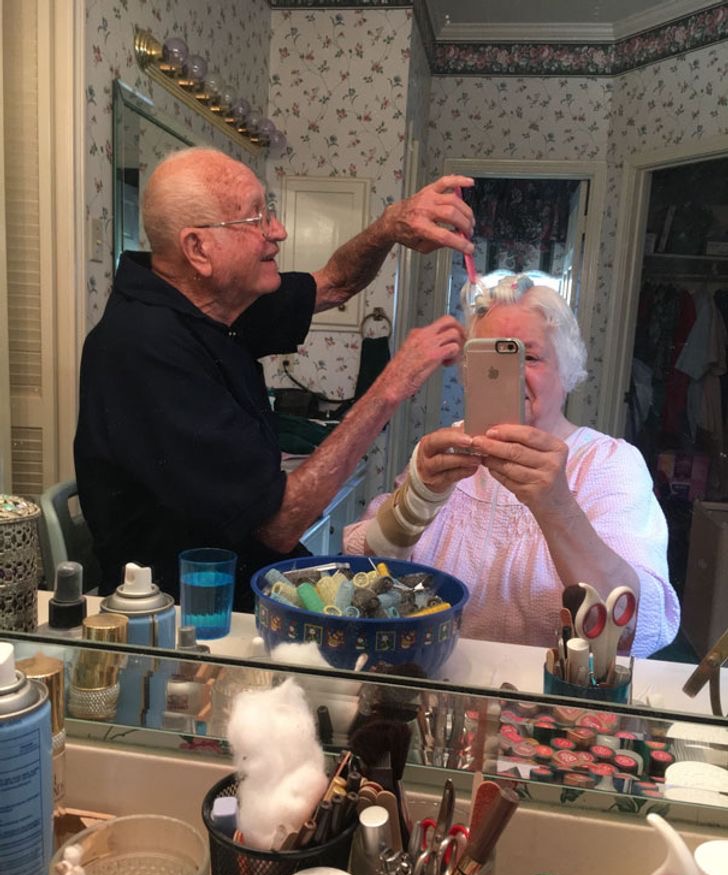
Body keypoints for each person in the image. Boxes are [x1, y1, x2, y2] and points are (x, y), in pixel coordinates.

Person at [74, 146, 476, 609]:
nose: (278, 232)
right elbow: (280, 524)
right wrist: (390, 386)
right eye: (256, 219)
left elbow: (335, 282)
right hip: (186, 614)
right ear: (198, 248)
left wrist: (389, 226)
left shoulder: (214, 301)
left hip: (239, 578)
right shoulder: (145, 348)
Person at [343, 274, 681, 657]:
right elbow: (361, 582)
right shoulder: (446, 452)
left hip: (554, 699)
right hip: (436, 683)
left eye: (529, 357)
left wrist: (558, 508)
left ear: (567, 370)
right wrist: (415, 503)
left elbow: (632, 626)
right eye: (490, 358)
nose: (510, 374)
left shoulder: (609, 464)